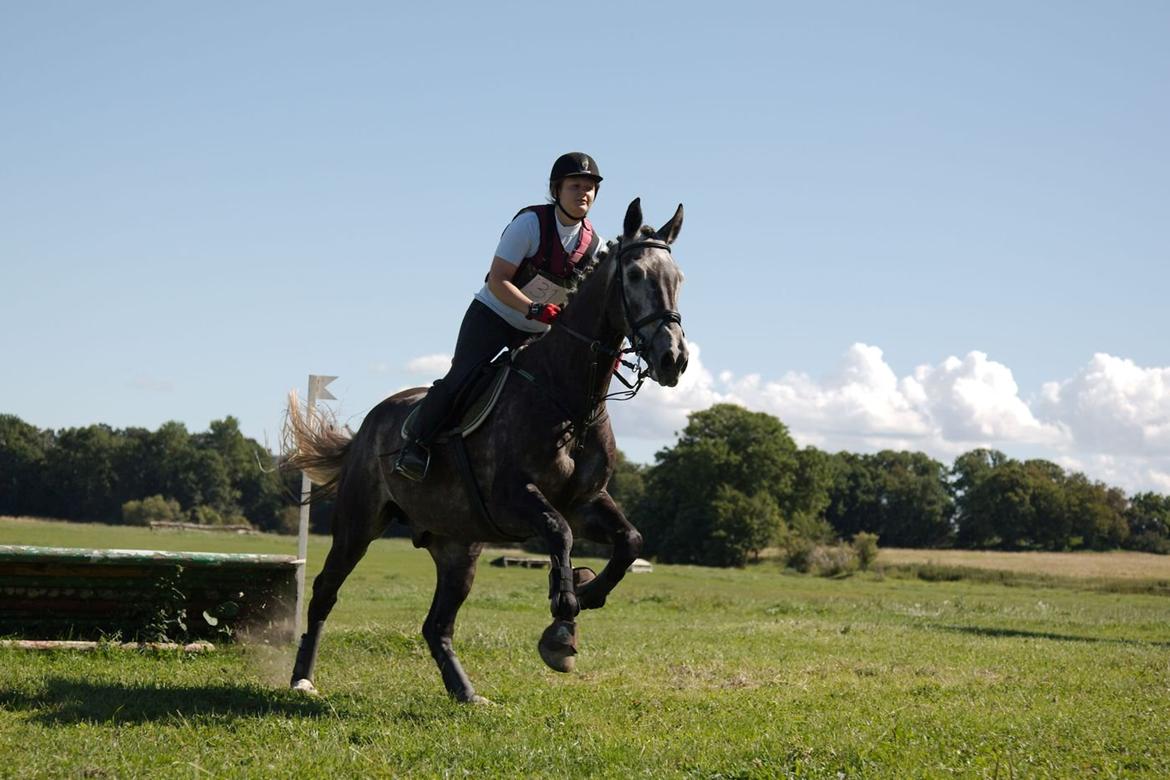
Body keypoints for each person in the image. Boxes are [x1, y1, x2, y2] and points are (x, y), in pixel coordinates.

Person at [393, 152, 605, 481]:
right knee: (463, 376)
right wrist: (532, 308)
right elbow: (498, 279)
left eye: (590, 187)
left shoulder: (595, 247)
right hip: (494, 314)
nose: (584, 193)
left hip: (536, 332)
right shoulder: (530, 224)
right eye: (575, 185)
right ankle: (415, 446)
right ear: (556, 189)